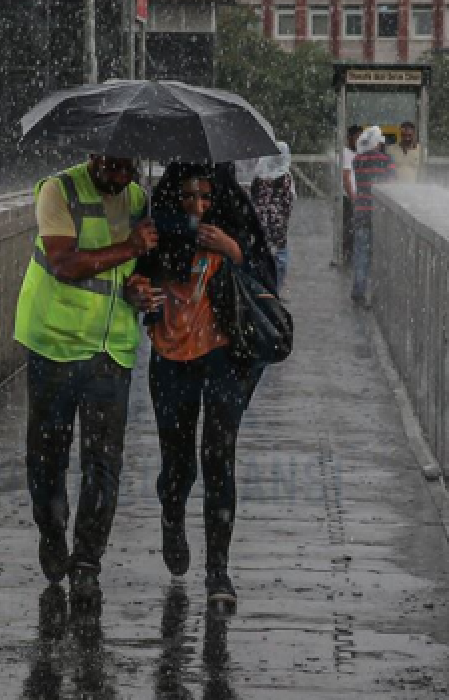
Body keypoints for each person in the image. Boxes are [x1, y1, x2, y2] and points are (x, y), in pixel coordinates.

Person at [14, 154, 163, 602]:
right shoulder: (58, 191)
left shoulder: (138, 199)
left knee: (103, 464)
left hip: (110, 349)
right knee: (48, 455)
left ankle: (87, 561)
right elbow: (63, 263)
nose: (120, 179)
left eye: (128, 170)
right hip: (55, 344)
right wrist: (132, 248)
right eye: (112, 169)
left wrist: (139, 288)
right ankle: (51, 528)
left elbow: (134, 274)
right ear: (95, 158)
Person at [136, 163, 270, 608]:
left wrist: (234, 250)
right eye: (189, 197)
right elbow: (133, 276)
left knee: (219, 458)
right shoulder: (156, 231)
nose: (199, 206)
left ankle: (218, 572)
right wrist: (140, 289)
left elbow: (266, 281)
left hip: (224, 357)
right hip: (172, 358)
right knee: (178, 463)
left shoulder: (236, 225)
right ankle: (172, 514)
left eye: (208, 197)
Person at [351, 126, 395, 304]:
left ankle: (358, 290)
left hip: (361, 211)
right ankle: (377, 294)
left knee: (361, 253)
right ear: (378, 143)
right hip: (379, 213)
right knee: (381, 254)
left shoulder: (357, 161)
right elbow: (393, 182)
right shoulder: (386, 160)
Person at [251, 141, 297, 294]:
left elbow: (253, 197)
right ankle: (275, 288)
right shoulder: (285, 178)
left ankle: (262, 286)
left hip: (259, 222)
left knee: (261, 252)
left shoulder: (258, 177)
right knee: (280, 254)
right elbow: (289, 200)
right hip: (278, 223)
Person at [340, 125, 365, 263]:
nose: (359, 140)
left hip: (360, 197)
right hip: (350, 197)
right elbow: (346, 177)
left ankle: (353, 255)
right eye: (357, 137)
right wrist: (353, 197)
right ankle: (348, 256)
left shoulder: (359, 153)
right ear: (350, 138)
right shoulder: (346, 153)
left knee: (356, 228)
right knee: (349, 228)